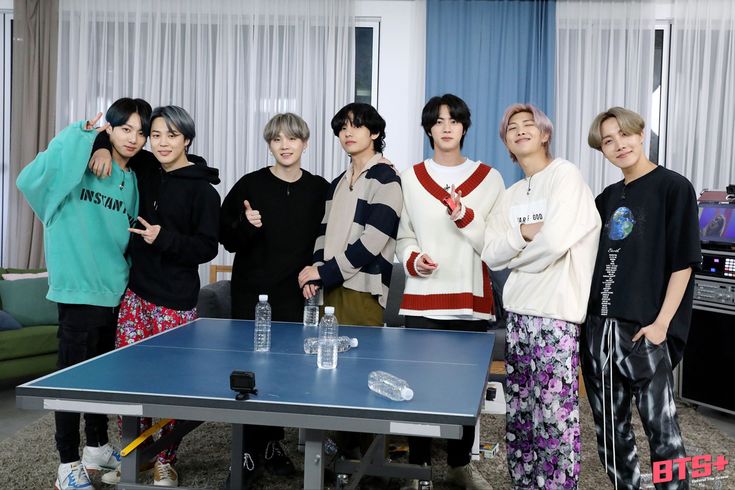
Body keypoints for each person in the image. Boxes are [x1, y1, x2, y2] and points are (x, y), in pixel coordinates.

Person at [16, 98, 151, 490]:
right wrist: (83, 137)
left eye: (140, 132)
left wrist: (105, 147)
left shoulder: (132, 179)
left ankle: (95, 446)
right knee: (70, 382)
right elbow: (31, 177)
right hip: (78, 291)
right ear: (108, 128)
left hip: (114, 292)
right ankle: (67, 463)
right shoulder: (80, 167)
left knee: (100, 379)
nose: (134, 138)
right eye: (125, 128)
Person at [90, 105, 220, 487]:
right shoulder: (145, 169)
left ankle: (164, 459)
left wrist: (162, 238)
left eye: (172, 136)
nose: (162, 143)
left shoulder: (204, 192)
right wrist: (99, 145)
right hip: (136, 297)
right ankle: (135, 455)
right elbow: (115, 137)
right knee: (130, 383)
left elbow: (206, 248)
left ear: (187, 141)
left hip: (176, 304)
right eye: (156, 135)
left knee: (170, 388)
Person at [482, 103, 601, 489]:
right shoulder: (513, 192)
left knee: (554, 417)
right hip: (517, 313)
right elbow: (490, 251)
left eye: (527, 125)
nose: (519, 131)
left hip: (555, 315)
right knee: (519, 417)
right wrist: (523, 235)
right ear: (507, 143)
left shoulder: (565, 176)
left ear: (545, 133)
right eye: (511, 128)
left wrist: (518, 257)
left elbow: (554, 243)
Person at [583, 107, 700, 489]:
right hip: (600, 328)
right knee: (611, 436)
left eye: (624, 135)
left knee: (662, 430)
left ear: (640, 132)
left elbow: (683, 262)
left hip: (646, 328)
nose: (619, 145)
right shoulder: (607, 197)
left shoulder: (673, 187)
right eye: (608, 141)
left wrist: (662, 324)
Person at [396, 93, 504, 490]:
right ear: (428, 129)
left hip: (469, 301)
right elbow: (403, 236)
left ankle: (460, 467)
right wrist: (414, 260)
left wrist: (462, 215)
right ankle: (417, 469)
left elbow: (496, 241)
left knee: (465, 390)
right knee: (417, 388)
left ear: (464, 127)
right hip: (422, 298)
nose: (446, 127)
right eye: (438, 120)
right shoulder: (409, 178)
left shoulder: (490, 179)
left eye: (453, 120)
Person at [219, 113, 328, 486]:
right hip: (251, 291)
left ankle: (271, 444)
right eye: (277, 139)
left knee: (283, 371)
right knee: (249, 372)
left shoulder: (319, 189)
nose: (285, 145)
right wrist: (245, 227)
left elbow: (328, 237)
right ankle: (247, 450)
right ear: (269, 144)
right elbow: (226, 238)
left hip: (295, 294)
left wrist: (316, 268)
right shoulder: (250, 185)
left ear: (305, 144)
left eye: (292, 139)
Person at [298, 102, 402, 327]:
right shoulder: (337, 183)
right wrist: (317, 271)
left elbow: (372, 242)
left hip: (363, 291)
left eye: (356, 126)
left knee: (360, 360)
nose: (348, 132)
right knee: (326, 358)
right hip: (330, 287)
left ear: (374, 133)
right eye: (343, 128)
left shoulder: (387, 178)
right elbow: (322, 234)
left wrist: (324, 272)